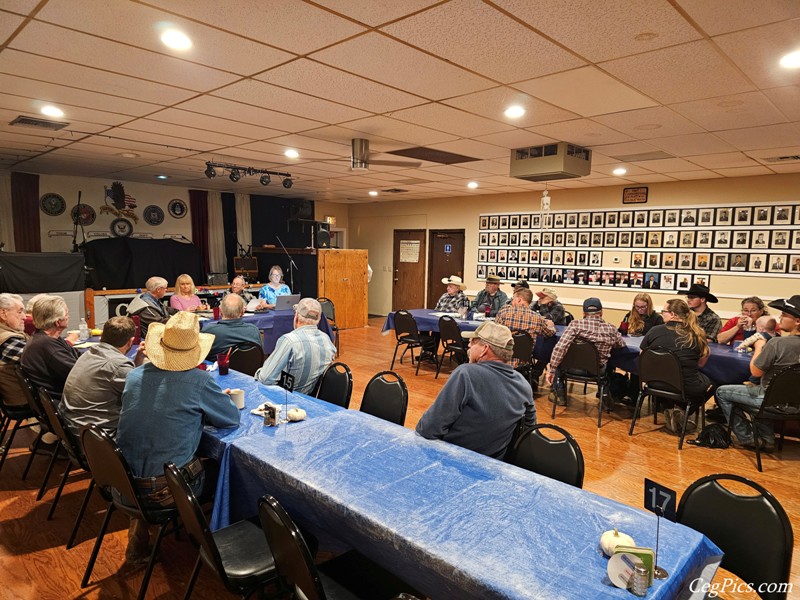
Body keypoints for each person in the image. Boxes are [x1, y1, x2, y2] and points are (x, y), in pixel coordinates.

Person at [117, 311, 240, 564]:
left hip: (124, 482)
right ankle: (226, 550)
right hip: (168, 490)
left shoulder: (133, 376)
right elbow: (230, 418)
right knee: (228, 471)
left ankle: (139, 539)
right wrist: (214, 401)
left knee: (152, 452)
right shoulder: (199, 380)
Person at [415, 321, 535, 459]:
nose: (469, 345)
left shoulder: (466, 374)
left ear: (484, 349)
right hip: (494, 466)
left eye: (473, 342)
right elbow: (528, 432)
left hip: (452, 462)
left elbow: (428, 428)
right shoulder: (524, 385)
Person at [715, 296, 800, 451]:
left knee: (722, 392)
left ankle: (749, 438)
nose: (780, 317)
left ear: (797, 321)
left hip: (769, 400)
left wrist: (760, 346)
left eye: (784, 315)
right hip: (795, 402)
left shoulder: (777, 343)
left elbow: (755, 371)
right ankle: (767, 438)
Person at [61, 316, 146, 437]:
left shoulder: (89, 353)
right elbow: (144, 395)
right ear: (130, 342)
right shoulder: (118, 365)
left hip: (72, 429)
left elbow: (129, 377)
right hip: (97, 440)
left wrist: (139, 358)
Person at [546, 298, 625, 405]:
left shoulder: (575, 325)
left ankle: (559, 395)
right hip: (597, 371)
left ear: (584, 313)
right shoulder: (611, 329)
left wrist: (552, 369)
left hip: (572, 369)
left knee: (559, 361)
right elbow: (620, 345)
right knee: (610, 364)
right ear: (601, 313)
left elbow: (560, 348)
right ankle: (605, 395)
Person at [640, 299, 714, 411]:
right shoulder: (696, 334)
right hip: (683, 387)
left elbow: (643, 357)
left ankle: (674, 409)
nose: (661, 314)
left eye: (663, 311)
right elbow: (700, 364)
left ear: (672, 314)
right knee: (713, 383)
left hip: (654, 383)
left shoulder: (654, 331)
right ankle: (684, 412)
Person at [255, 298, 336, 395]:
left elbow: (265, 379)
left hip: (287, 399)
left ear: (296, 316)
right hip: (312, 399)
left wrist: (258, 373)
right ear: (318, 320)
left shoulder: (289, 341)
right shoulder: (327, 340)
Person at [20, 295, 80, 397]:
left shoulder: (45, 338)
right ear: (58, 322)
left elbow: (77, 356)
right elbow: (78, 374)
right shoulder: (46, 345)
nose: (68, 316)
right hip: (64, 401)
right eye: (66, 314)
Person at [495, 287, 555, 371]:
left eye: (513, 299)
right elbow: (549, 334)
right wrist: (551, 326)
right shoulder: (537, 318)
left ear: (519, 300)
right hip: (523, 364)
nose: (511, 302)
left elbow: (494, 334)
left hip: (500, 361)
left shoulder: (503, 312)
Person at [202, 293, 262, 358]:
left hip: (219, 367)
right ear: (242, 312)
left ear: (220, 311)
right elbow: (260, 354)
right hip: (251, 367)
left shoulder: (209, 331)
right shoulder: (254, 330)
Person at [0, 293, 29, 406]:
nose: (24, 317)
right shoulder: (8, 340)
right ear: (3, 313)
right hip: (24, 399)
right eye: (20, 311)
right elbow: (39, 361)